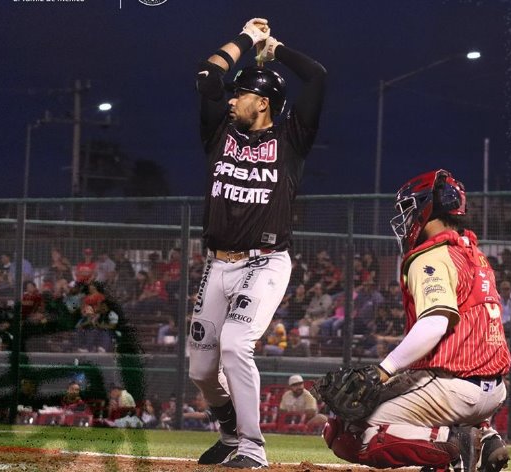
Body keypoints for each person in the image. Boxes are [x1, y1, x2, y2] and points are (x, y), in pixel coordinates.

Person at [187, 17, 326, 469]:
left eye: (241, 94)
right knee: (201, 370)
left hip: (264, 262)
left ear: (263, 103)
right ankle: (230, 435)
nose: (231, 100)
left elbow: (318, 76)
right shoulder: (218, 134)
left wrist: (275, 50)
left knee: (234, 344)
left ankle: (252, 448)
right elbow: (207, 75)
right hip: (217, 263)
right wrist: (247, 39)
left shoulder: (292, 139)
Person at [322, 170, 511, 471]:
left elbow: (436, 322)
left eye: (410, 209)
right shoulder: (474, 255)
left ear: (428, 208)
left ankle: (458, 446)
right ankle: (485, 435)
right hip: (493, 390)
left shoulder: (432, 255)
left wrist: (384, 371)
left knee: (349, 433)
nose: (406, 218)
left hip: (455, 388)